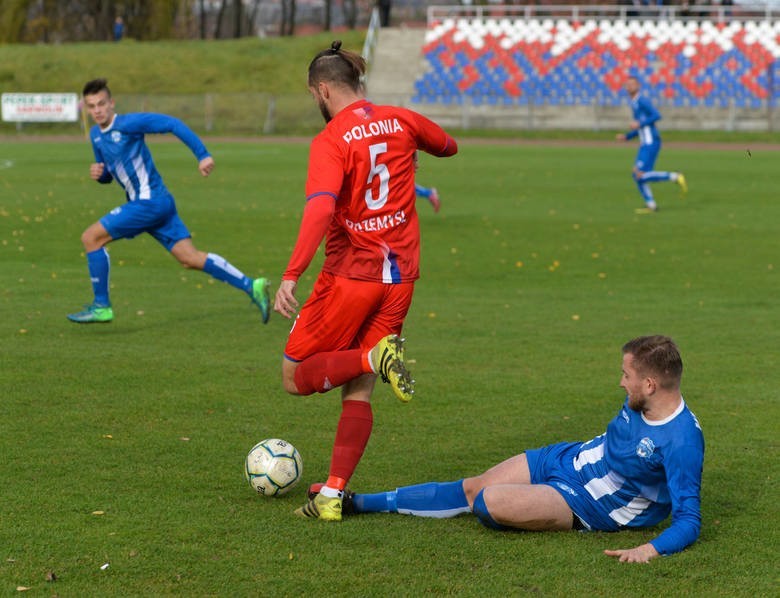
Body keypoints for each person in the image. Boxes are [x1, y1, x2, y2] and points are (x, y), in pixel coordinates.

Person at [273, 41, 457, 521]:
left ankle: (372, 357)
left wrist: (291, 273)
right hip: (401, 280)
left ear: (322, 89)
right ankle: (332, 496)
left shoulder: (331, 139)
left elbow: (320, 206)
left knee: (295, 377)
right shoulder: (401, 118)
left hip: (351, 276)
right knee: (358, 386)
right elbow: (448, 145)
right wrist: (409, 146)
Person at [333, 335, 704, 563]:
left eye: (627, 376)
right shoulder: (644, 400)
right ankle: (357, 502)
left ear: (651, 384)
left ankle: (544, 507)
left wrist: (650, 549)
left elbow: (688, 520)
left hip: (591, 504)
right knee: (472, 486)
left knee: (487, 503)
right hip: (568, 458)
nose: (621, 382)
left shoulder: (682, 442)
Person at [67, 78, 270, 324]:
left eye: (101, 104)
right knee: (190, 258)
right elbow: (109, 173)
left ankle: (101, 306)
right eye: (92, 106)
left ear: (112, 103)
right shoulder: (96, 136)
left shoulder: (129, 123)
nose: (97, 110)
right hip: (157, 203)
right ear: (87, 109)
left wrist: (202, 155)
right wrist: (101, 176)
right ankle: (252, 285)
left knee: (91, 238)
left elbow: (172, 124)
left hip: (148, 203)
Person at [616, 76, 687, 213]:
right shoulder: (634, 103)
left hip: (650, 142)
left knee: (639, 175)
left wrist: (639, 124)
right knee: (638, 176)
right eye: (627, 84)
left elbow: (656, 115)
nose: (629, 86)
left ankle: (674, 176)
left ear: (638, 86)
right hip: (646, 143)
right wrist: (627, 136)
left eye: (632, 84)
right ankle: (651, 205)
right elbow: (641, 127)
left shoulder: (641, 100)